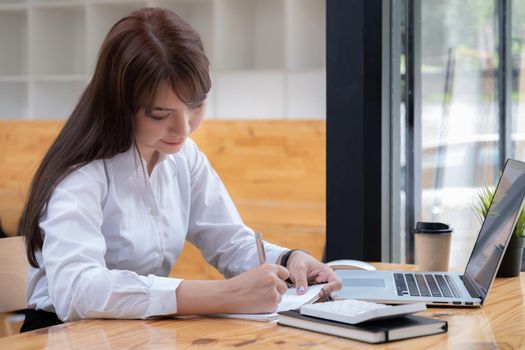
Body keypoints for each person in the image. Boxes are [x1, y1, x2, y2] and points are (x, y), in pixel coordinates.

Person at [20, 7, 341, 332]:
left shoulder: (182, 157)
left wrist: (287, 261)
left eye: (195, 105)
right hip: (59, 335)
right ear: (120, 105)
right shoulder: (81, 174)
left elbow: (229, 240)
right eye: (160, 115)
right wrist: (222, 294)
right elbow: (77, 291)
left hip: (133, 332)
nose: (183, 129)